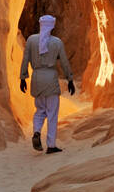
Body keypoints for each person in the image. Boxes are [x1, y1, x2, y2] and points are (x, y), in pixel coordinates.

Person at [20, 14, 75, 153]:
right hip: (50, 79)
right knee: (52, 113)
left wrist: (23, 78)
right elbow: (64, 62)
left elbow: (25, 59)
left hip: (37, 77)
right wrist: (70, 79)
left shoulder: (31, 40)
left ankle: (37, 132)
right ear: (52, 26)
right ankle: (51, 145)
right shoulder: (57, 42)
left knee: (40, 110)